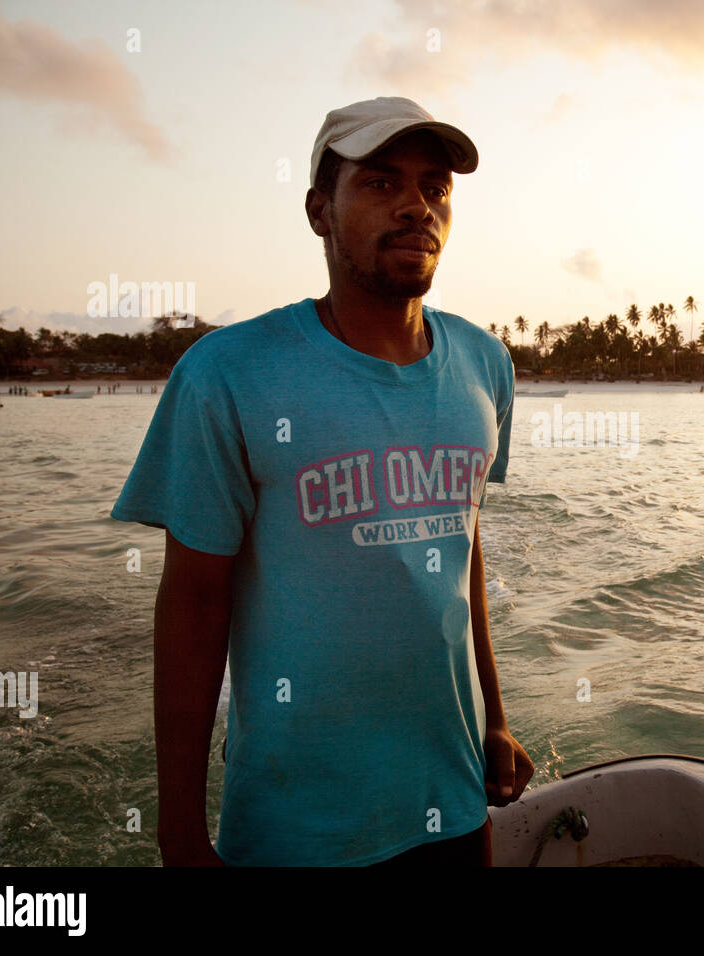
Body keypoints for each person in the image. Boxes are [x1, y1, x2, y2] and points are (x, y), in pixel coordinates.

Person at [111, 96, 533, 867]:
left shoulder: (485, 367)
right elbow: (194, 604)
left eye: (435, 186)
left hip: (454, 800)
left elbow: (461, 553)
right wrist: (179, 833)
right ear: (319, 211)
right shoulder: (230, 374)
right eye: (379, 183)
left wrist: (494, 721)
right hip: (295, 828)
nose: (415, 205)